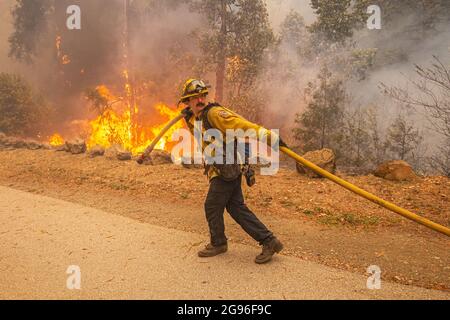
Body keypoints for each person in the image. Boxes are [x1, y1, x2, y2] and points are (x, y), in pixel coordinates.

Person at [179, 78, 284, 264]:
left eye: (203, 95)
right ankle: (270, 241)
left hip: (225, 170)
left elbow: (242, 126)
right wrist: (189, 118)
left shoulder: (215, 114)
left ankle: (218, 243)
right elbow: (200, 134)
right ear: (187, 101)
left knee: (212, 206)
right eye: (195, 97)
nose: (201, 100)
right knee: (236, 208)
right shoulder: (198, 117)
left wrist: (270, 138)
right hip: (224, 168)